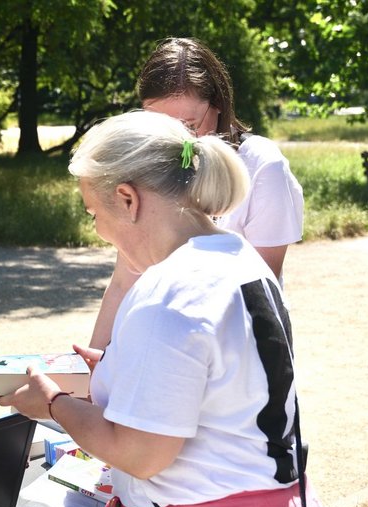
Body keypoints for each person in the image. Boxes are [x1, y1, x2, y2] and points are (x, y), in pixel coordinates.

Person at [0, 110, 330, 507]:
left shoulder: (170, 291)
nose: (97, 228)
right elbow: (223, 378)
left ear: (128, 199)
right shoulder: (238, 257)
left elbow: (141, 454)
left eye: (93, 211)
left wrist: (54, 404)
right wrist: (120, 368)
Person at [90, 37, 304, 350]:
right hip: (160, 344)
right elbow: (124, 280)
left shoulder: (262, 167)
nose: (173, 139)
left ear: (218, 104)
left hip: (235, 356)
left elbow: (258, 292)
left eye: (188, 124)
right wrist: (88, 365)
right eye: (158, 124)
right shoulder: (152, 167)